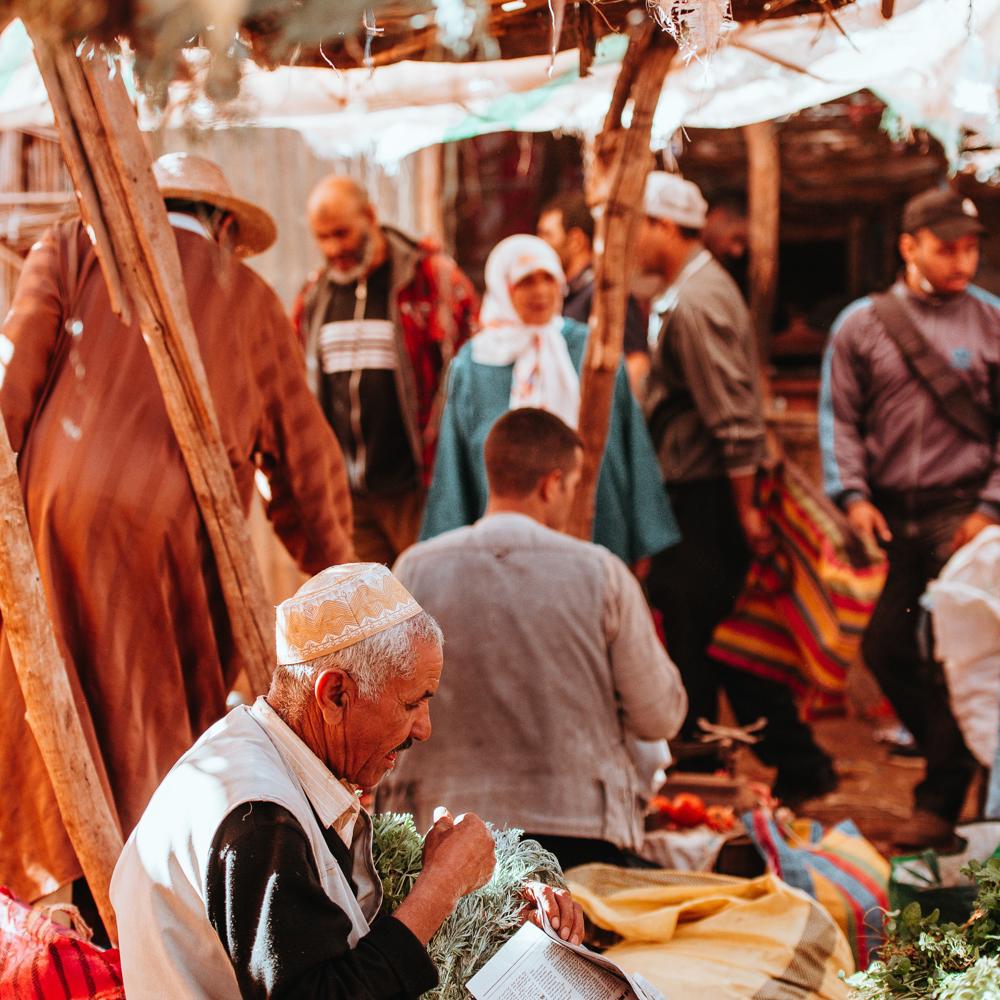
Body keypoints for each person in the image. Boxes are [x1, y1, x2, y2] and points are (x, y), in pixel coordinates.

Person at [0, 153, 354, 904]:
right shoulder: (251, 296)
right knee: (154, 719)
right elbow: (306, 464)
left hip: (50, 510)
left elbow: (12, 386)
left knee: (44, 700)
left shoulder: (67, 249)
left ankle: (56, 896)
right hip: (173, 531)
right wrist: (338, 583)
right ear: (224, 224)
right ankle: (140, 902)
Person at [111, 563, 584, 998]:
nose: (425, 729)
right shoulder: (258, 819)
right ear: (335, 694)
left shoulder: (262, 759)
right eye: (412, 703)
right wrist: (441, 885)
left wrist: (498, 901)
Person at [378, 408, 687, 871]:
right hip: (579, 836)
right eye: (573, 484)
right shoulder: (601, 573)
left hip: (438, 836)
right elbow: (659, 715)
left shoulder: (413, 569)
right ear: (551, 484)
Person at [638, 171, 835, 803]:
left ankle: (711, 774)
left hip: (709, 496)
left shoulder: (695, 301)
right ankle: (789, 765)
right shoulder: (689, 290)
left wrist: (747, 511)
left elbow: (733, 418)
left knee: (699, 638)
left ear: (664, 227)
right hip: (700, 492)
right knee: (722, 638)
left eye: (639, 226)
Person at [820, 186, 1000, 848]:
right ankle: (965, 761)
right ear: (909, 247)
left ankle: (942, 798)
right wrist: (854, 497)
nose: (961, 261)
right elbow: (840, 420)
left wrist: (989, 510)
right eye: (946, 248)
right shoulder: (860, 325)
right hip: (894, 516)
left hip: (969, 519)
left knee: (953, 654)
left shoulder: (992, 322)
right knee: (889, 650)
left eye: (970, 248)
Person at [419, 234, 678, 565]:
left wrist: (643, 541)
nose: (540, 292)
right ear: (503, 287)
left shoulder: (592, 351)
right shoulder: (475, 363)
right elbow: (455, 465)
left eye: (548, 279)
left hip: (597, 524)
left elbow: (631, 444)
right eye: (526, 282)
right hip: (504, 542)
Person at [294, 176, 478, 564]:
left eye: (342, 234)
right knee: (367, 616)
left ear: (371, 216)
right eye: (322, 238)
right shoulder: (314, 297)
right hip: (351, 498)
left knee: (427, 607)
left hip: (420, 491)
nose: (334, 249)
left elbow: (470, 377)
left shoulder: (432, 280)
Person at [537, 192, 650, 394]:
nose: (539, 244)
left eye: (547, 235)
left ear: (575, 241)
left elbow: (636, 363)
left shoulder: (604, 293)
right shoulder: (565, 294)